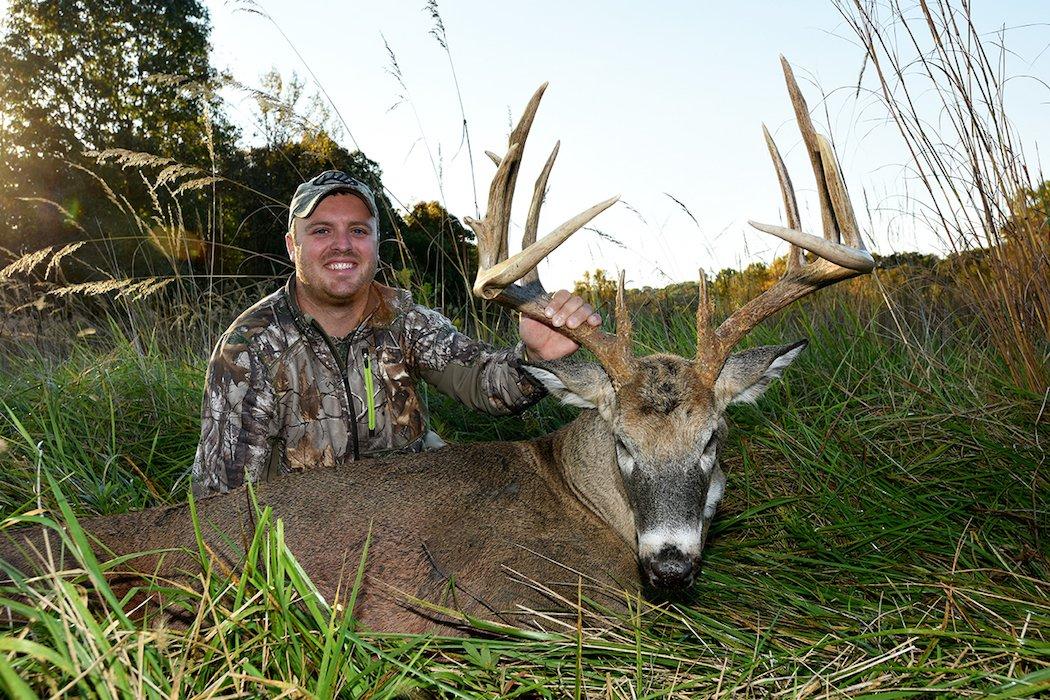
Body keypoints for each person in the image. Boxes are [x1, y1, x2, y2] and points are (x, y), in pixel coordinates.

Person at [191, 170, 601, 496]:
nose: (342, 245)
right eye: (320, 231)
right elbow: (223, 501)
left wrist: (534, 355)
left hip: (410, 513)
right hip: (310, 537)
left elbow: (483, 382)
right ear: (291, 245)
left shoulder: (404, 319)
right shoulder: (250, 347)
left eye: (358, 230)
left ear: (375, 243)